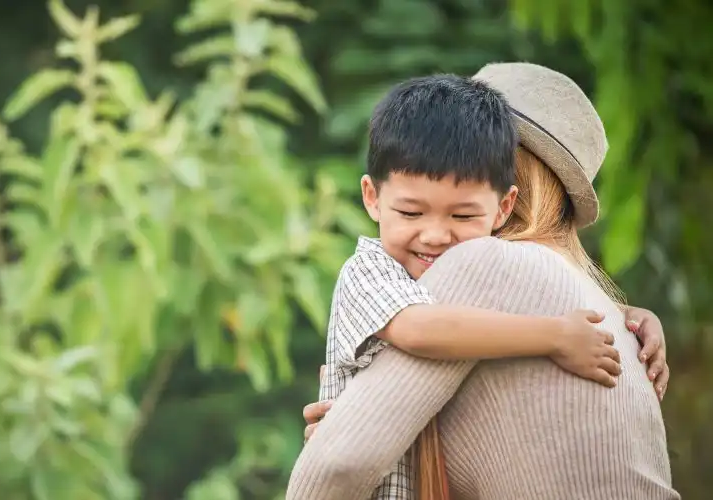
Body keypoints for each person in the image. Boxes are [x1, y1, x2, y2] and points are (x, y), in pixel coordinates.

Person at [286, 62, 679, 500]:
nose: (436, 234)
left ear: (509, 187)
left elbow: (341, 462)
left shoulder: (486, 265)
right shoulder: (598, 311)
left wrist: (347, 433)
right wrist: (359, 416)